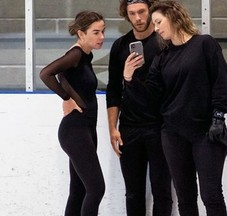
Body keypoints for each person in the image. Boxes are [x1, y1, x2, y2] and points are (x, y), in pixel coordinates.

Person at [124, 1, 227, 216]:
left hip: (206, 131)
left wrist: (218, 116)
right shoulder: (162, 58)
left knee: (211, 195)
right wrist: (130, 78)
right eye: (153, 24)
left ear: (173, 16)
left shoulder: (205, 44)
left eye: (158, 22)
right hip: (173, 134)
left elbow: (222, 82)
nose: (155, 28)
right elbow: (150, 98)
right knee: (185, 198)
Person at [106, 0, 172, 215]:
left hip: (160, 126)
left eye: (142, 12)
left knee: (162, 190)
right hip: (130, 127)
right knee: (133, 192)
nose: (138, 18)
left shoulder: (164, 41)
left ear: (150, 11)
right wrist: (112, 128)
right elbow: (113, 91)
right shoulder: (120, 46)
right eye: (132, 13)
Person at [39, 11, 106, 216]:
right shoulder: (75, 54)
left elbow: (65, 77)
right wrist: (66, 99)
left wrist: (68, 92)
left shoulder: (86, 55)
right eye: (95, 32)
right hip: (75, 129)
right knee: (96, 189)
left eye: (102, 31)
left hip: (86, 128)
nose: (101, 36)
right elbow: (46, 73)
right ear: (81, 33)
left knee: (79, 191)